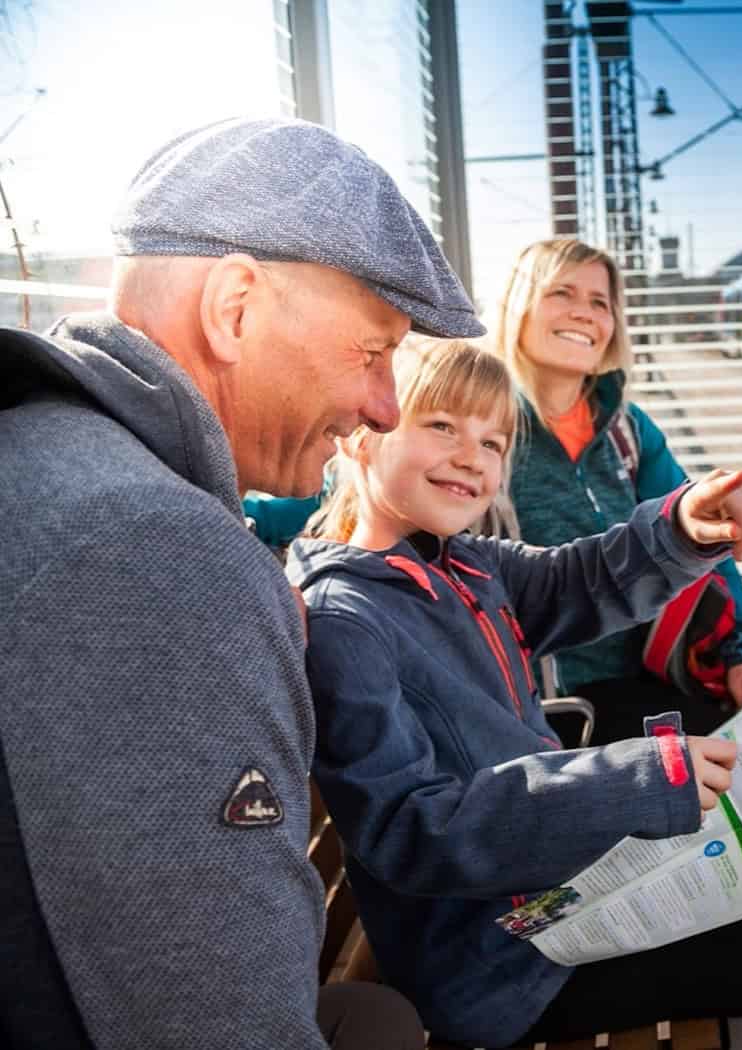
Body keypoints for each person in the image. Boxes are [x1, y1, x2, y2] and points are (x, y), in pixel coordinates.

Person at [0, 116, 483, 1049]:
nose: (383, 407)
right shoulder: (147, 547)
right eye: (374, 352)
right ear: (235, 308)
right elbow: (224, 1023)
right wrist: (217, 600)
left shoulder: (52, 459)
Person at [288, 337, 742, 1050]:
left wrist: (680, 527)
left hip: (547, 900)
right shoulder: (346, 623)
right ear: (362, 436)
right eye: (442, 426)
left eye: (494, 441)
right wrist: (636, 780)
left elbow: (581, 579)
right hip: (493, 967)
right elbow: (414, 829)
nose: (472, 456)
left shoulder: (464, 566)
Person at [488, 237, 742, 742]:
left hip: (647, 679)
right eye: (563, 293)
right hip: (532, 709)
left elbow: (707, 543)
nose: (585, 314)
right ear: (519, 305)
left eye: (600, 302)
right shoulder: (482, 425)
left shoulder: (629, 430)